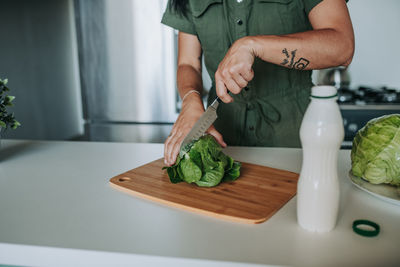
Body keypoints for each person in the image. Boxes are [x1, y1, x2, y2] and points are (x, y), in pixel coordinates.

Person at [162, 0, 354, 166]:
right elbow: (188, 64)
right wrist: (190, 98)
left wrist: (253, 45)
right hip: (222, 142)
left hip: (295, 141)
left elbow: (342, 47)